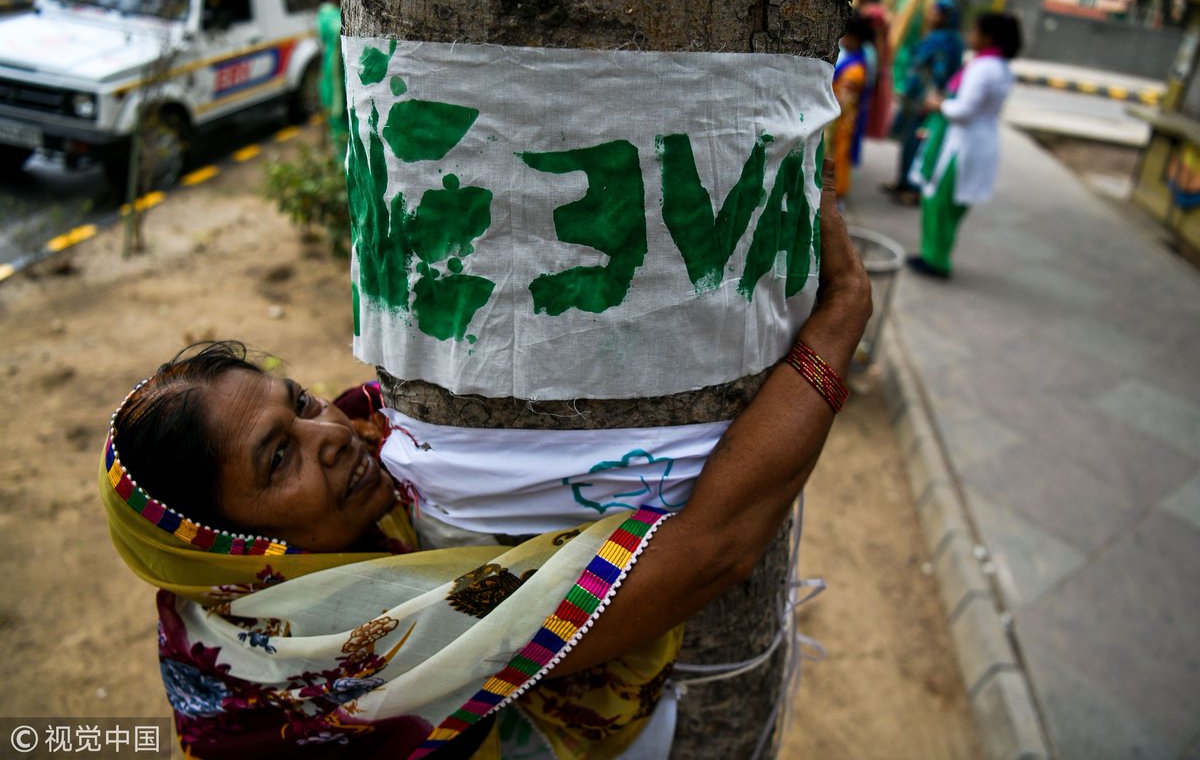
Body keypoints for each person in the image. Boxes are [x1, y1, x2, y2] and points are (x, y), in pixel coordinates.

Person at [100, 159, 872, 758]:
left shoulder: (384, 453)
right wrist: (839, 320)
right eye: (277, 460)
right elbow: (711, 549)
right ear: (230, 550)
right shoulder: (325, 649)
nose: (331, 431)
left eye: (299, 403)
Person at [907, 12, 1022, 279]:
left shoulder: (983, 67)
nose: (971, 35)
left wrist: (938, 104)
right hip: (980, 141)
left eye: (976, 31)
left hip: (962, 143)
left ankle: (935, 259)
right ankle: (936, 254)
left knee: (938, 201)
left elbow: (964, 110)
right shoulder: (1002, 67)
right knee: (953, 206)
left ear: (988, 37)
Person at [884, 0, 964, 206]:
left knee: (918, 143)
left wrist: (931, 96)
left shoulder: (948, 40)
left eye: (936, 11)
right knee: (907, 140)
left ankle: (914, 188)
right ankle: (903, 181)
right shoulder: (935, 35)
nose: (932, 14)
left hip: (927, 99)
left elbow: (941, 72)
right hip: (916, 95)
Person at [829, 13, 876, 201]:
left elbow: (843, 102)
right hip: (844, 120)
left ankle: (834, 195)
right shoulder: (860, 58)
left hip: (840, 124)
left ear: (853, 37)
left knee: (838, 157)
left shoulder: (854, 71)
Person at [855, 0, 893, 140]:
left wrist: (878, 67)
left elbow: (879, 40)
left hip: (865, 56)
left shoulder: (875, 12)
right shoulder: (855, 5)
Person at [316, 0, 348, 156]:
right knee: (342, 150)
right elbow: (337, 29)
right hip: (335, 93)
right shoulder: (326, 14)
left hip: (354, 91)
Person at [886, 0, 935, 96]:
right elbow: (897, 14)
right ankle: (895, 86)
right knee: (899, 61)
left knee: (911, 63)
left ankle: (904, 87)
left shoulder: (930, 1)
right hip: (902, 37)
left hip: (918, 38)